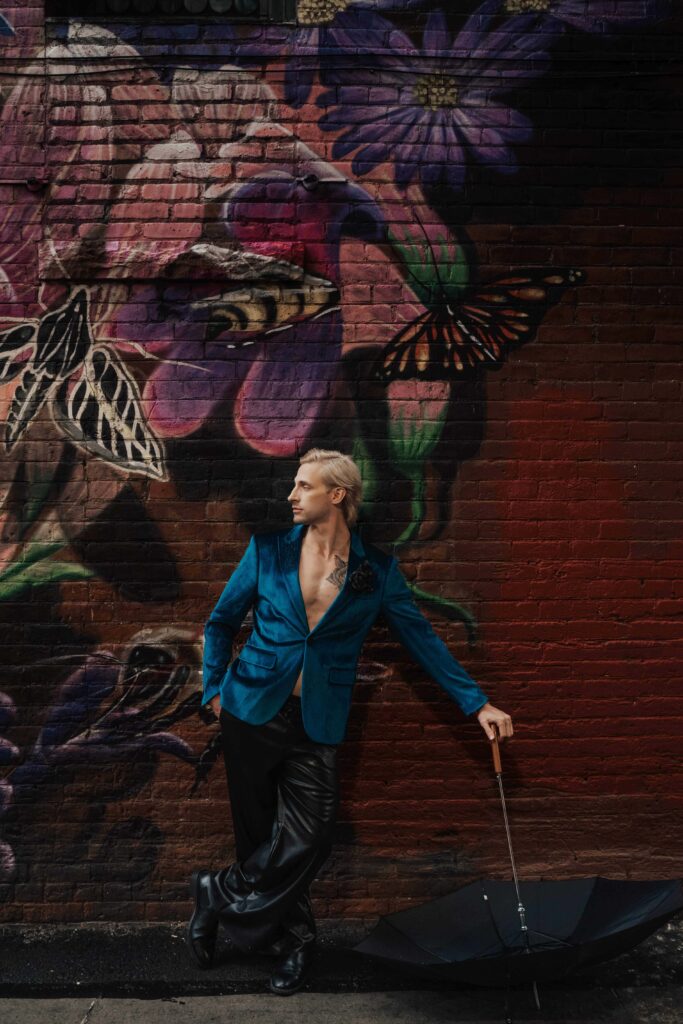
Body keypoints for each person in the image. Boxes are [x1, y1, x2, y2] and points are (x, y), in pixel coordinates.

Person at [187, 448, 513, 995]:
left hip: (318, 719)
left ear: (336, 495)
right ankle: (295, 942)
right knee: (258, 838)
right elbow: (221, 622)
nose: (291, 495)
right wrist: (214, 688)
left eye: (303, 486)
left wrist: (477, 703)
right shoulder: (266, 551)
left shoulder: (376, 572)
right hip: (250, 710)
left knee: (309, 838)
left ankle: (215, 891)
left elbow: (422, 641)